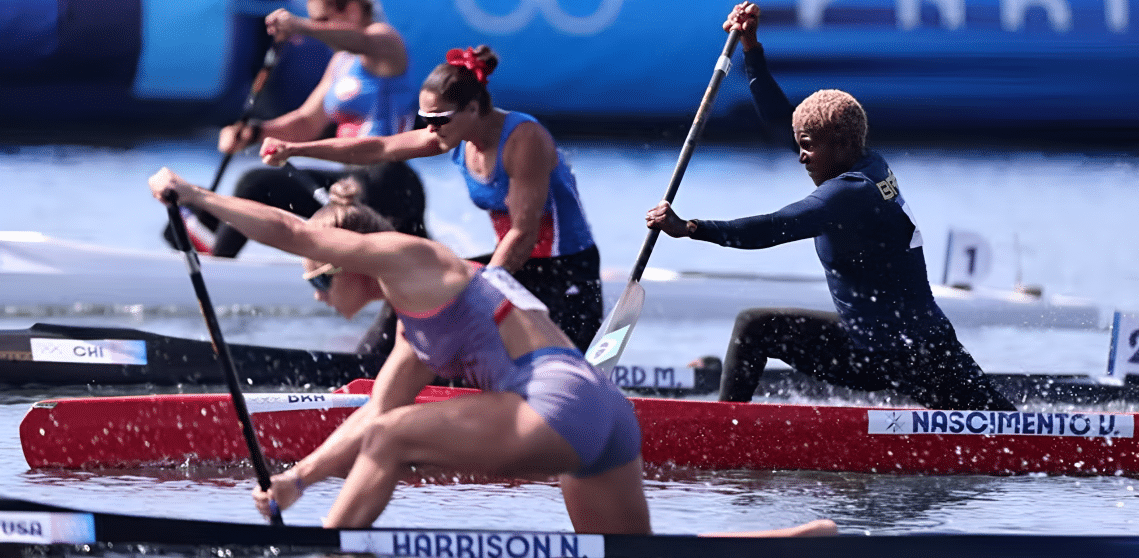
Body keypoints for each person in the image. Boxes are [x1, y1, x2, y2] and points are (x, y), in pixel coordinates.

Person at [145, 167, 835, 538]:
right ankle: (797, 543)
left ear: (351, 256)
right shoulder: (420, 329)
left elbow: (297, 232)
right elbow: (366, 422)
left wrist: (196, 194)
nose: (319, 290)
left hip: (556, 400)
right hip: (603, 411)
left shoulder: (408, 257)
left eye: (323, 277)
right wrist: (297, 480)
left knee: (392, 434)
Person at [645, 1, 1015, 411]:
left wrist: (692, 227)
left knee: (1011, 434)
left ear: (838, 144)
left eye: (807, 148)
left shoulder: (850, 193)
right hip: (888, 342)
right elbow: (778, 122)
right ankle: (729, 424)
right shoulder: (863, 159)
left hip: (904, 354)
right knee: (757, 327)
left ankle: (720, 434)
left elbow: (774, 227)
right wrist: (751, 49)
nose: (800, 157)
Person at [258, 46, 603, 353]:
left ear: (472, 109)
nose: (431, 130)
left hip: (566, 273)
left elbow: (523, 233)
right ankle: (366, 368)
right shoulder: (451, 134)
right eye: (426, 120)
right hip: (517, 268)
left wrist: (479, 295)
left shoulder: (524, 140)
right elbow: (378, 148)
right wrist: (297, 149)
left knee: (452, 298)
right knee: (414, 286)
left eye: (438, 120)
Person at [208, 0, 428, 261]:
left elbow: (359, 41)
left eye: (322, 20)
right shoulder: (341, 62)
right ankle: (216, 258)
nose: (317, 29)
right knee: (255, 183)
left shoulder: (384, 42)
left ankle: (216, 268)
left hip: (388, 182)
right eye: (314, 21)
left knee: (254, 184)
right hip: (353, 182)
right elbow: (306, 124)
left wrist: (300, 26)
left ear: (351, 12)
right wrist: (253, 132)